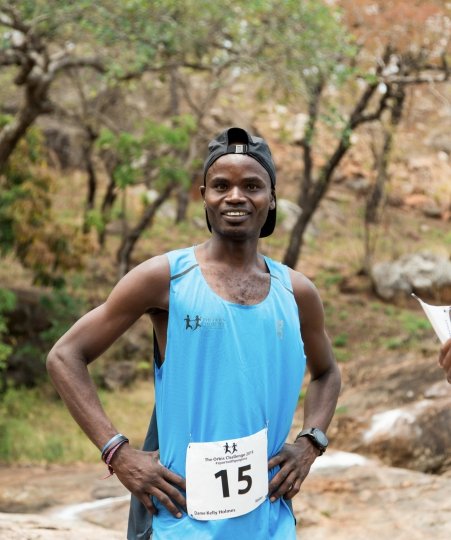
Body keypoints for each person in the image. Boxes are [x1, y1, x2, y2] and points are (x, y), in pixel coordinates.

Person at [47, 127, 342, 539]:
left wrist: (311, 443)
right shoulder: (165, 277)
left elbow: (327, 372)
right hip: (178, 522)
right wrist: (118, 452)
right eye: (221, 185)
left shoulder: (297, 293)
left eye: (252, 185)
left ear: (271, 197)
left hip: (269, 523)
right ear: (203, 195)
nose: (235, 196)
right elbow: (65, 355)